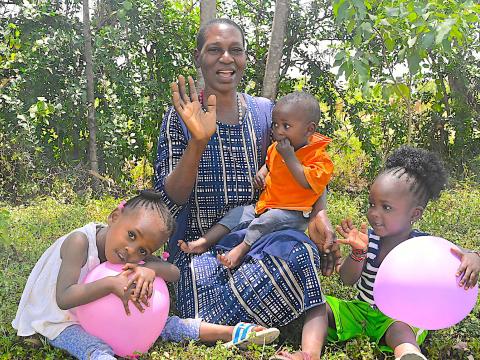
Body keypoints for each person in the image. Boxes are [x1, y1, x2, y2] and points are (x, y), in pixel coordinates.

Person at [155, 18, 339, 360]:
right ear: (199, 57)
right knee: (207, 292)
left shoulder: (266, 113)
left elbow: (311, 164)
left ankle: (265, 319)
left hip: (260, 239)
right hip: (203, 253)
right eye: (215, 50)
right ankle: (265, 316)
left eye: (235, 50)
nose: (226, 58)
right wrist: (198, 141)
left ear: (244, 58)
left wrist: (321, 214)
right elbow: (170, 200)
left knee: (301, 250)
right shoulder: (179, 117)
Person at [12, 190, 279, 360]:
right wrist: (110, 284)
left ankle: (233, 332)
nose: (130, 251)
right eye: (131, 235)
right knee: (92, 346)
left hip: (107, 316)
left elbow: (173, 272)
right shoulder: (79, 243)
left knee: (167, 324)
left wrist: (149, 268)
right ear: (115, 216)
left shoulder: (133, 256)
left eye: (143, 249)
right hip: (58, 320)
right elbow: (64, 298)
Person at [322, 146, 452, 360]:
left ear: (415, 214)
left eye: (386, 207)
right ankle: (309, 350)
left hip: (398, 317)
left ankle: (408, 353)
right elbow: (347, 279)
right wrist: (358, 253)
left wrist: (473, 257)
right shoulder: (369, 240)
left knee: (401, 328)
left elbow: (457, 257)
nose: (374, 213)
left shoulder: (423, 246)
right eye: (372, 204)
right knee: (319, 304)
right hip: (360, 312)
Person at [178, 91, 334, 270]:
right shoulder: (277, 148)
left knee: (268, 220)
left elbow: (308, 182)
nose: (278, 131)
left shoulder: (319, 158)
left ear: (309, 129)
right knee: (237, 214)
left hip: (295, 213)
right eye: (275, 125)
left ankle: (240, 251)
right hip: (266, 205)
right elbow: (270, 163)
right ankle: (205, 241)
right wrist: (263, 172)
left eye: (286, 126)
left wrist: (290, 157)